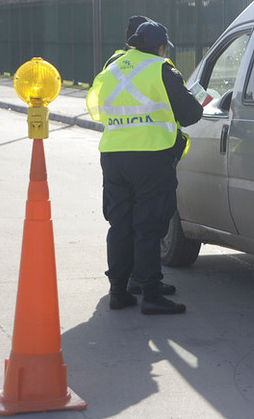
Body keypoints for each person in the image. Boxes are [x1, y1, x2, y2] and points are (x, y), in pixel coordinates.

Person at [86, 21, 203, 314]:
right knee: (149, 226)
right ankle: (150, 294)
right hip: (150, 157)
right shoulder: (161, 69)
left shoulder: (112, 67)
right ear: (160, 47)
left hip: (113, 156)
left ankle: (119, 291)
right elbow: (191, 114)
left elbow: (95, 107)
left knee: (120, 225)